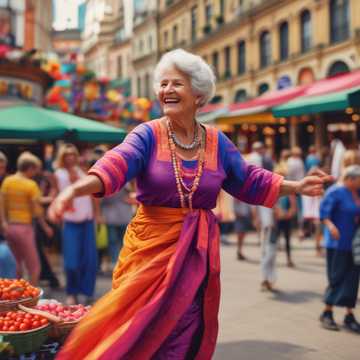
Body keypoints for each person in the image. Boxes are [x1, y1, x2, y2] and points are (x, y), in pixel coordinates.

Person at [48, 49, 331, 359]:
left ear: (198, 94)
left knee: (186, 327)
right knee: (135, 326)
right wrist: (73, 190)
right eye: (163, 83)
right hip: (148, 250)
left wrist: (296, 186)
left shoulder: (217, 142)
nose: (166, 90)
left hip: (195, 256)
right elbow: (116, 164)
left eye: (176, 84)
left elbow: (249, 179)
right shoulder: (148, 134)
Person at [53, 144, 99, 305]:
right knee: (71, 261)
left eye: (73, 154)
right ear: (62, 157)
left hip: (87, 219)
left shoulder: (83, 171)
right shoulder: (59, 174)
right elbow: (56, 194)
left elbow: (93, 195)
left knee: (90, 260)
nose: (71, 157)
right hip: (70, 221)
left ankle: (87, 292)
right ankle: (71, 291)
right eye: (67, 155)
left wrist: (97, 214)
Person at [0, 152, 52, 285]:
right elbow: (37, 210)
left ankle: (13, 296)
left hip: (9, 227)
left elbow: (1, 203)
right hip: (24, 228)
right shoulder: (30, 185)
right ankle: (30, 296)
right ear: (30, 168)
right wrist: (46, 226)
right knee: (34, 266)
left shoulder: (7, 181)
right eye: (35, 169)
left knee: (15, 263)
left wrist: (3, 222)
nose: (36, 173)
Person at [319, 165, 360, 333]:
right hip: (337, 242)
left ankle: (349, 314)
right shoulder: (335, 191)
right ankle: (327, 312)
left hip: (354, 242)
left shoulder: (356, 192)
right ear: (350, 179)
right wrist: (331, 226)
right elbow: (323, 214)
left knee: (352, 279)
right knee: (337, 277)